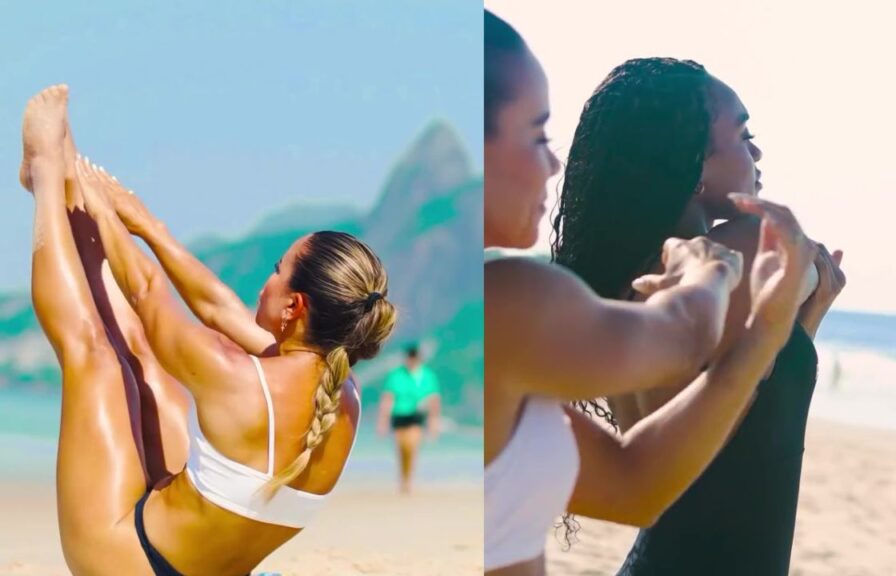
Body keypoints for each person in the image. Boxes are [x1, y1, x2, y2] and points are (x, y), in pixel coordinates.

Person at [484, 11, 817, 575]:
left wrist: (777, 329)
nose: (555, 161)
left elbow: (636, 482)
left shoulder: (469, 310)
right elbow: (688, 337)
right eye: (537, 133)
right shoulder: (508, 302)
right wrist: (710, 271)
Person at [19, 85, 396, 575]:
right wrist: (144, 223)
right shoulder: (342, 391)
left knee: (96, 357)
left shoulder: (241, 381)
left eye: (277, 270)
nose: (265, 281)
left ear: (295, 306)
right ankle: (69, 187)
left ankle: (47, 176)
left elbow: (147, 291)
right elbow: (218, 308)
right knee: (148, 364)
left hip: (128, 561)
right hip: (193, 557)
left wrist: (109, 207)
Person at [549, 57, 846, 575]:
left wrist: (800, 331)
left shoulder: (630, 286)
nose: (756, 151)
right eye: (744, 133)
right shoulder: (738, 251)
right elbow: (807, 258)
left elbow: (739, 424)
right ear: (693, 160)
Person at [378, 344, 441, 493]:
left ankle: (409, 480)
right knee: (402, 448)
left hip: (416, 415)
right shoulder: (396, 375)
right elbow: (388, 398)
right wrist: (383, 421)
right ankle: (404, 478)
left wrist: (433, 422)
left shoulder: (428, 375)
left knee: (412, 445)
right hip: (399, 414)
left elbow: (434, 400)